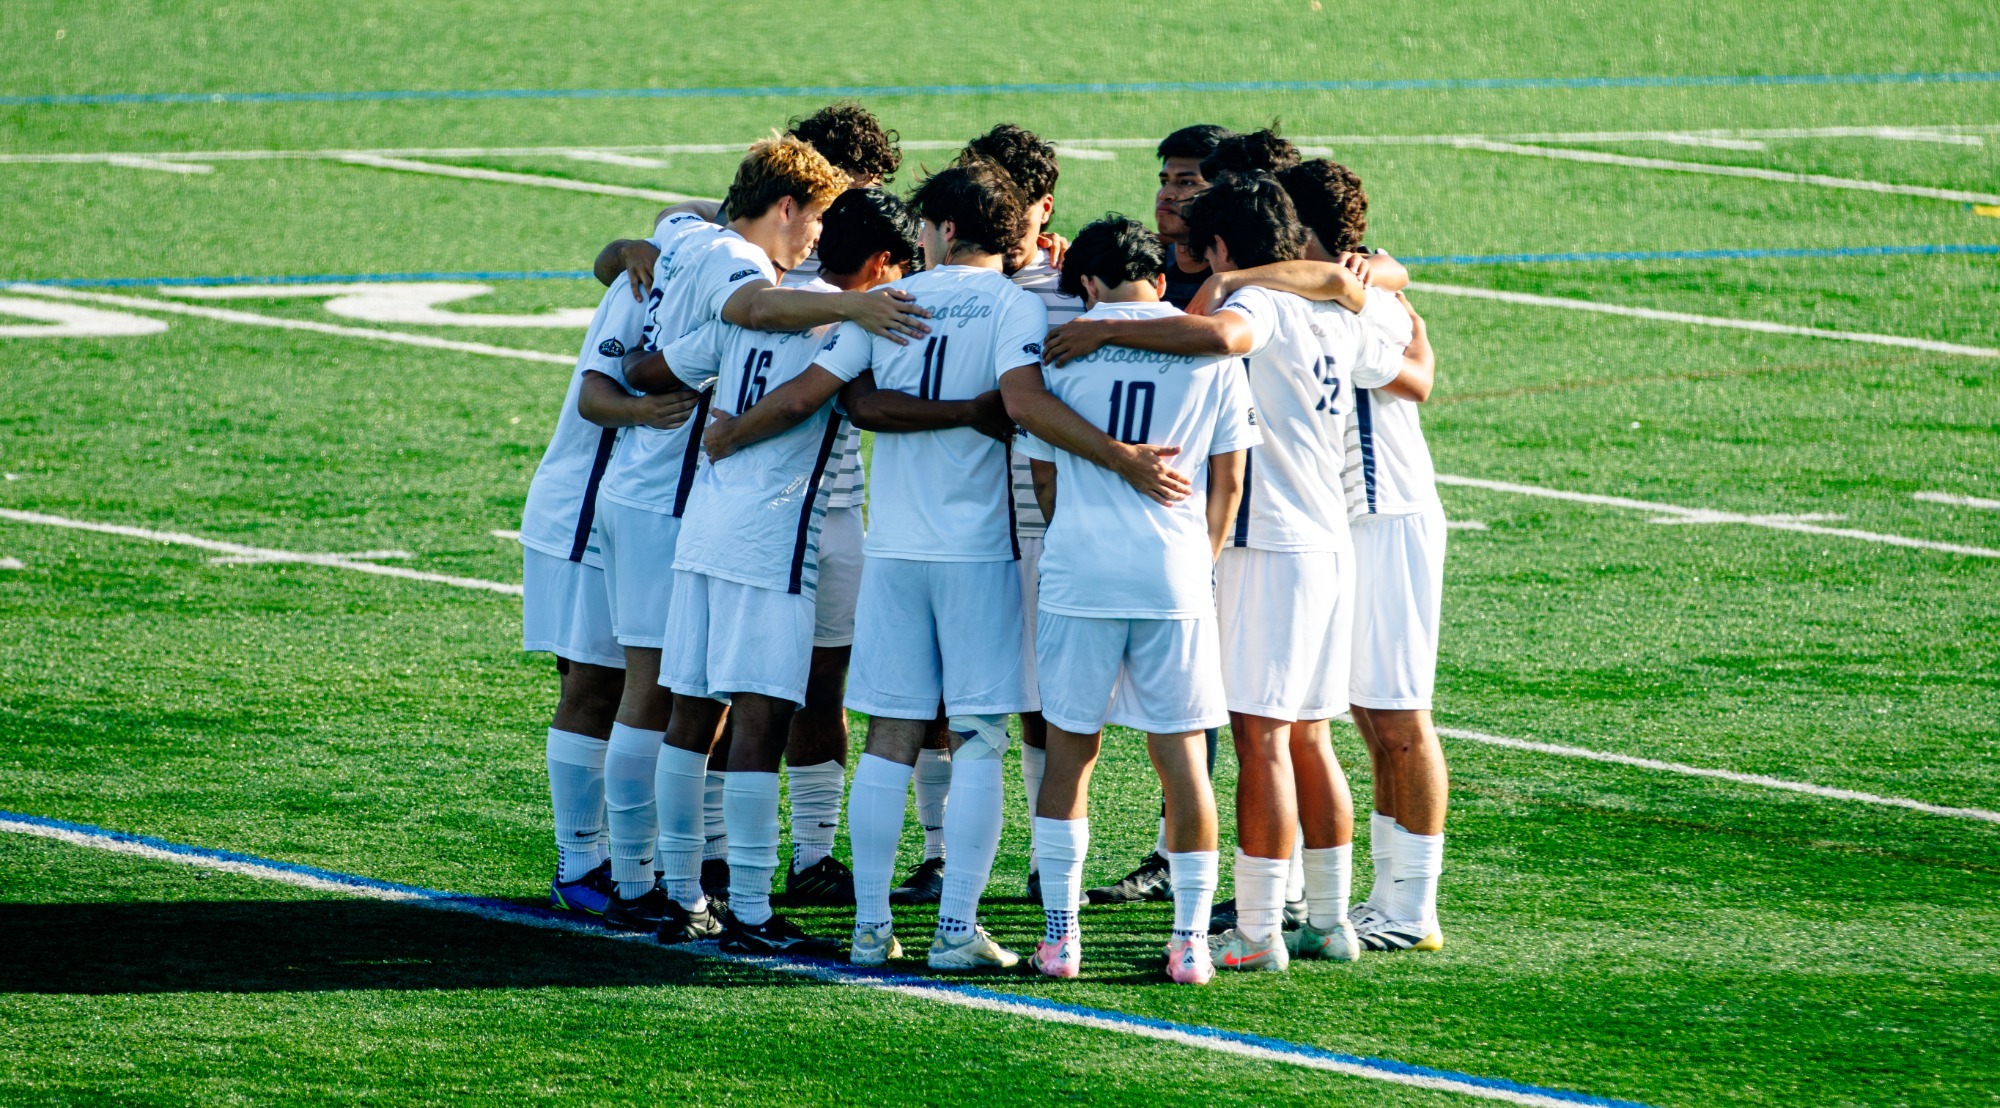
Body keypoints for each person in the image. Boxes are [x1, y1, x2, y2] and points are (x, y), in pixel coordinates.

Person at [1040, 172, 1417, 971]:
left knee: (1263, 740)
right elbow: (1388, 320)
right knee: (1310, 737)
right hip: (1328, 540)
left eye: (1195, 251)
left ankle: (1256, 929)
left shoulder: (1259, 306)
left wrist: (1109, 334)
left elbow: (1222, 339)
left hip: (1269, 545)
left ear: (1220, 247)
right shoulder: (1335, 303)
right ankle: (1328, 918)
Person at [822, 162, 1192, 970]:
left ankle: (868, 928)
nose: (918, 237)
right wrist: (1117, 458)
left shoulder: (896, 299)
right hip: (979, 550)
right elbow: (1022, 406)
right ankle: (955, 931)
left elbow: (852, 400)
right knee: (981, 733)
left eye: (924, 225)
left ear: (948, 228)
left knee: (890, 732)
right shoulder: (1013, 305)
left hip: (894, 546)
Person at [592, 136, 911, 933]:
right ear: (880, 264)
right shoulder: (849, 318)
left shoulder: (761, 289)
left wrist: (689, 399)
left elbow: (655, 367)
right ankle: (755, 906)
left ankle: (676, 892)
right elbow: (813, 398)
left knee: (692, 707)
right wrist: (737, 430)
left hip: (701, 526)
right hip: (769, 542)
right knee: (762, 712)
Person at [1021, 216, 1257, 985]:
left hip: (1081, 573)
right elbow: (1228, 480)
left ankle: (1061, 938)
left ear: (1085, 283)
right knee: (1182, 758)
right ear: (1156, 277)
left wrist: (1083, 533)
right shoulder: (1203, 345)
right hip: (1174, 575)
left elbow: (1045, 476)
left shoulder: (1063, 350)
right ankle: (1189, 942)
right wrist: (1198, 558)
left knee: (1070, 752)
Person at [523, 273, 699, 917]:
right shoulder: (653, 280)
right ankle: (580, 865)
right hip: (587, 508)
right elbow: (594, 397)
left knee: (648, 685)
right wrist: (642, 411)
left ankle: (626, 862)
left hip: (637, 518)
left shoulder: (708, 267)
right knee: (596, 683)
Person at [951, 124, 1084, 903]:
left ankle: (1045, 863)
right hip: (958, 512)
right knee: (946, 700)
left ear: (1042, 207)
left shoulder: (1072, 286)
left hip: (1037, 520)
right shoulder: (940, 276)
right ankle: (941, 852)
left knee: (1042, 700)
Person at [1152, 124, 1234, 310]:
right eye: (1164, 181)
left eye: (1186, 182)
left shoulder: (1247, 271)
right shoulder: (1142, 259)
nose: (1166, 194)